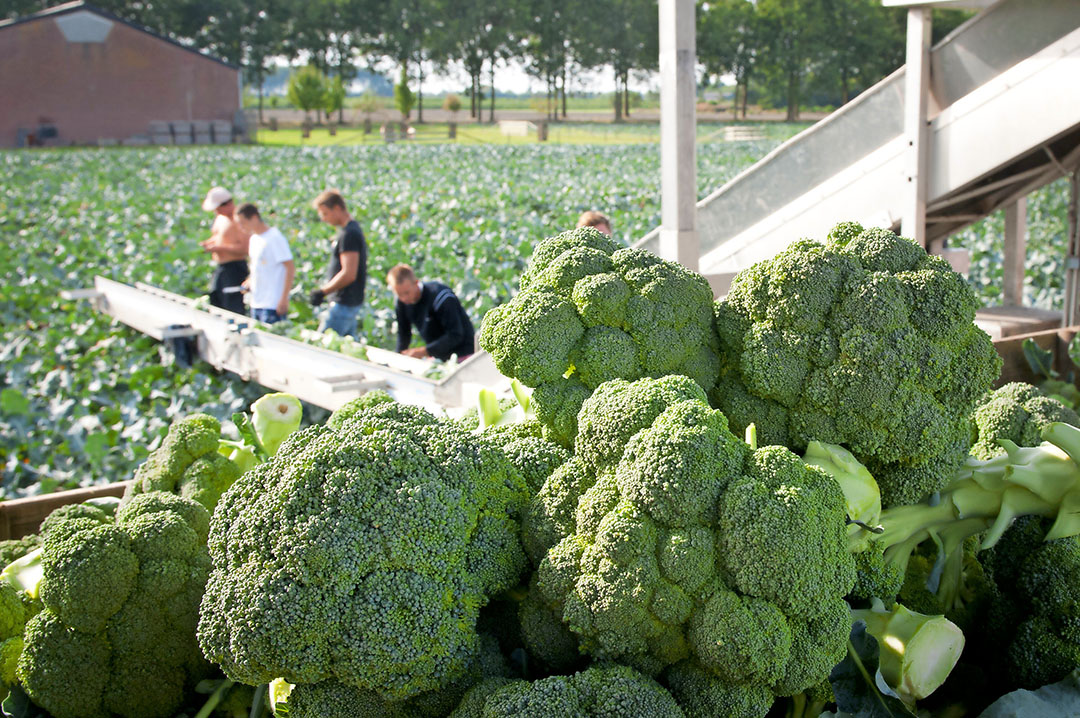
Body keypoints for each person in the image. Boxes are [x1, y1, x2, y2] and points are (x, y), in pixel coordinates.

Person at [309, 189, 368, 337]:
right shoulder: (350, 231)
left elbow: (349, 274)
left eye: (325, 213)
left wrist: (323, 292)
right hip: (349, 303)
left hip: (344, 303)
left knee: (323, 347)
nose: (323, 218)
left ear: (337, 208)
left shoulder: (349, 234)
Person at [387, 264, 476, 362]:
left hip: (464, 353)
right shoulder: (401, 303)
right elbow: (404, 333)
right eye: (399, 294)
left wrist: (424, 351)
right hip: (438, 356)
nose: (404, 298)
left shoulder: (441, 297)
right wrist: (399, 357)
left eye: (407, 293)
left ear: (416, 283)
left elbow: (455, 335)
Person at [234, 202, 294, 324]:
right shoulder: (254, 239)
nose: (241, 227)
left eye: (243, 223)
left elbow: (290, 267)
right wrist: (250, 281)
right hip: (256, 302)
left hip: (272, 303)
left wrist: (284, 299)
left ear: (254, 218)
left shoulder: (274, 237)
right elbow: (258, 267)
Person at [199, 186, 250, 315]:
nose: (216, 211)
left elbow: (244, 248)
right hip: (221, 269)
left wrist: (218, 248)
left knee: (232, 305)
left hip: (235, 269)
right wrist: (210, 243)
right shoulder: (221, 218)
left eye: (218, 208)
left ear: (227, 204)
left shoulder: (239, 221)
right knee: (217, 301)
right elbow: (220, 236)